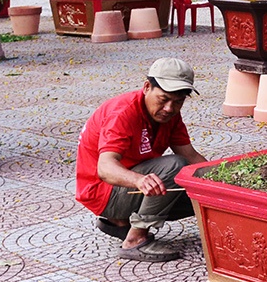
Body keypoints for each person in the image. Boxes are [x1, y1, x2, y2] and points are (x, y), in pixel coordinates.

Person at [75, 57, 207, 262]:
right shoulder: (123, 113)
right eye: (163, 99)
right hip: (102, 191)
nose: (170, 108)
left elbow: (191, 155)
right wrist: (138, 180)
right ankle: (134, 240)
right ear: (147, 87)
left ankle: (119, 223)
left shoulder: (169, 115)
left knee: (201, 194)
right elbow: (105, 168)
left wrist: (222, 183)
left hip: (125, 186)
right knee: (174, 166)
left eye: (178, 101)